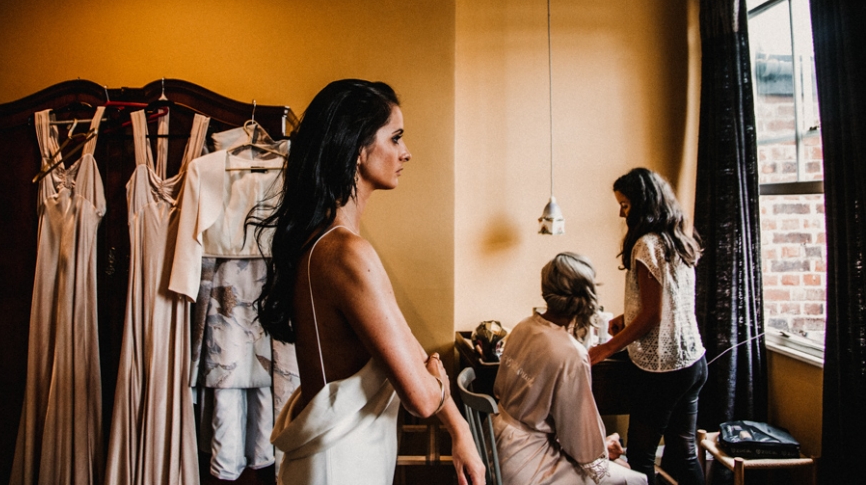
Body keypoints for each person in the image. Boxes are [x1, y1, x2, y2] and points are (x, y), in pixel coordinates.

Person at [254, 79, 485, 485]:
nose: (406, 152)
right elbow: (421, 398)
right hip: (338, 466)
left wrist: (459, 428)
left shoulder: (331, 243)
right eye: (395, 138)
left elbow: (408, 345)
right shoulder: (347, 253)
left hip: (341, 456)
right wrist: (439, 384)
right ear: (358, 150)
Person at [588, 168, 707, 485]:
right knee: (684, 454)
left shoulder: (646, 245)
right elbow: (669, 305)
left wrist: (605, 349)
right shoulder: (678, 240)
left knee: (640, 457)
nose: (621, 212)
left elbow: (654, 315)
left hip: (662, 371)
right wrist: (626, 319)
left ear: (641, 203)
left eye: (625, 205)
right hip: (693, 362)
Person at [492, 252, 647, 485]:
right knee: (633, 479)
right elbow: (580, 440)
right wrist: (602, 448)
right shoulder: (570, 353)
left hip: (497, 444)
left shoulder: (523, 326)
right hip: (528, 462)